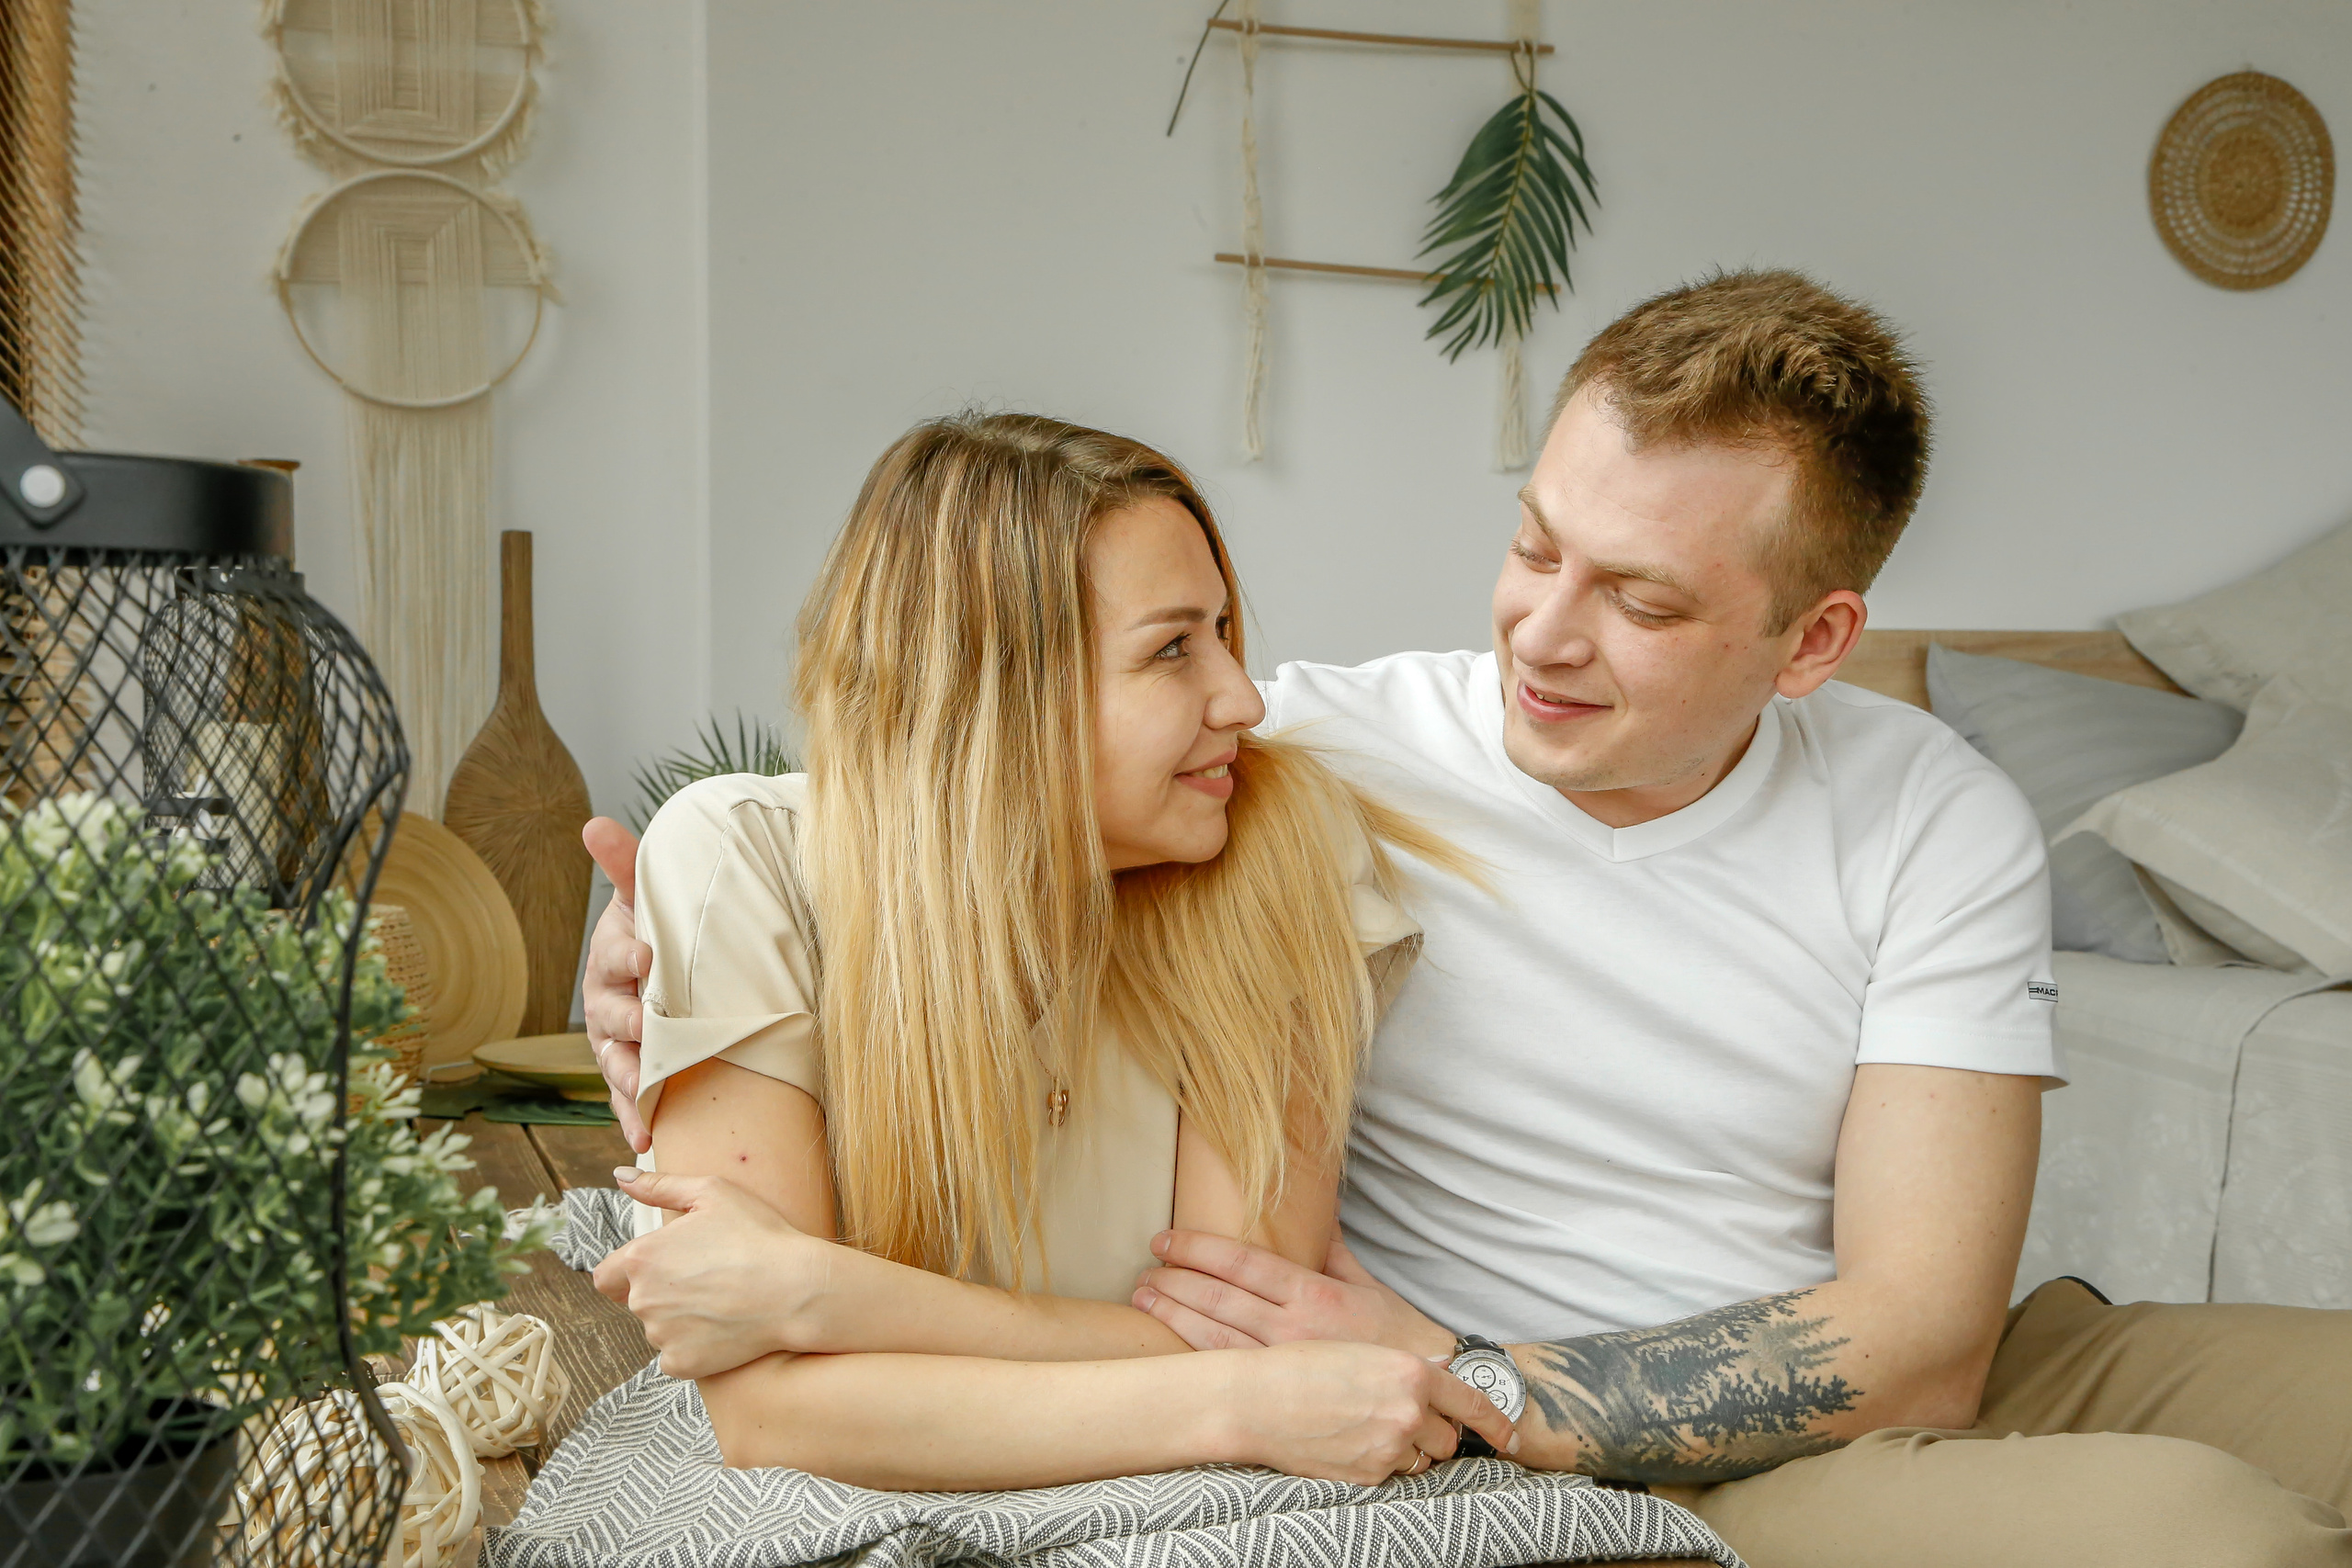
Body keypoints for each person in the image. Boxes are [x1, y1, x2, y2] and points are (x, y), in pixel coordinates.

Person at [584, 272, 2352, 1566]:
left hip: (1817, 1364)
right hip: (1687, 1467)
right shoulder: (1307, 761)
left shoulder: (1926, 805)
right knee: (2217, 1532)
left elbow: (1923, 1338)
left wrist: (1462, 1372)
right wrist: (674, 962)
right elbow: (954, 766)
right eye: (1535, 544)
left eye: (1640, 599)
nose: (1543, 633)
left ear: (1811, 643)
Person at [584, 412, 1521, 1495]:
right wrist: (1237, 1405)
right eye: (1172, 648)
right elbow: (770, 1414)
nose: (1243, 697)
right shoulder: (738, 857)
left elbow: (1251, 1329)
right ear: (994, 694)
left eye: (1222, 630)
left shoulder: (1274, 846)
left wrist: (832, 1299)